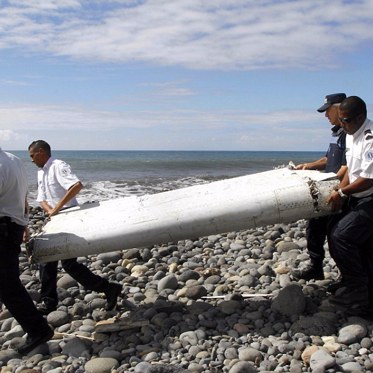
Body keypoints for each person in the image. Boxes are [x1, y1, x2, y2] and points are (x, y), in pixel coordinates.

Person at [28, 140, 122, 314]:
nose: (31, 160)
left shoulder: (58, 166)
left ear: (41, 152)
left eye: (32, 156)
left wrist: (57, 208)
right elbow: (41, 197)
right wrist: (50, 211)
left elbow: (76, 186)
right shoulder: (41, 172)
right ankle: (49, 302)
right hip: (55, 219)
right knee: (50, 261)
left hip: (69, 216)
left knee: (67, 263)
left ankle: (108, 289)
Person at [0, 147, 54, 354]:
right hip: (11, 226)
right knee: (7, 283)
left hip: (3, 229)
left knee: (8, 286)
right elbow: (23, 197)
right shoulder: (13, 160)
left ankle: (38, 329)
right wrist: (23, 223)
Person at [292, 93, 347, 281]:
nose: (325, 116)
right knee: (314, 228)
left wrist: (338, 190)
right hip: (327, 188)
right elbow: (327, 159)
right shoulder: (336, 133)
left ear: (340, 109)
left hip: (339, 191)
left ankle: (347, 277)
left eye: (328, 111)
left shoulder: (349, 134)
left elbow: (348, 167)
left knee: (336, 235)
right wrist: (308, 165)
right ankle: (316, 266)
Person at [327, 96, 373, 314]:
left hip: (370, 198)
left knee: (342, 235)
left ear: (361, 117)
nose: (342, 124)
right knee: (336, 232)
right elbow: (351, 170)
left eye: (345, 120)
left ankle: (358, 289)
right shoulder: (350, 134)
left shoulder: (369, 138)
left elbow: (368, 178)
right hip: (357, 196)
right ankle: (353, 282)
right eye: (341, 121)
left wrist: (342, 192)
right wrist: (339, 191)